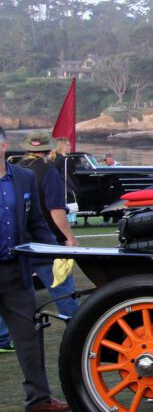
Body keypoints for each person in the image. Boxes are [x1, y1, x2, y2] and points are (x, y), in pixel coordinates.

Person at [0, 126, 70, 412]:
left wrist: (54, 251)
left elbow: (37, 223)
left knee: (30, 335)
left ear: (3, 145)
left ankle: (39, 399)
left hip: (15, 271)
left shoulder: (24, 178)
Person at [16, 135, 80, 319]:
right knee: (64, 293)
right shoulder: (48, 172)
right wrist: (70, 237)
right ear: (49, 150)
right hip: (45, 241)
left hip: (19, 241)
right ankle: (77, 333)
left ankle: (3, 339)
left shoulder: (16, 169)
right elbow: (56, 210)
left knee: (13, 294)